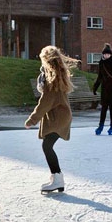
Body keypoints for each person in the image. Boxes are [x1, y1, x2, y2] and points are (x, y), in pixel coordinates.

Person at [26, 45, 80, 193]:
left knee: (47, 146)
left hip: (59, 118)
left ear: (47, 62)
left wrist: (31, 120)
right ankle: (57, 178)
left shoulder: (52, 82)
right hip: (61, 117)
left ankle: (57, 178)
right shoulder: (56, 77)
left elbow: (44, 103)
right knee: (47, 145)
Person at [92, 43, 112, 136]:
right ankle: (100, 126)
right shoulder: (101, 63)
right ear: (103, 54)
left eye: (108, 54)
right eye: (105, 54)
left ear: (110, 54)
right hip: (105, 89)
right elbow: (100, 76)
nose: (106, 56)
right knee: (104, 108)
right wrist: (95, 87)